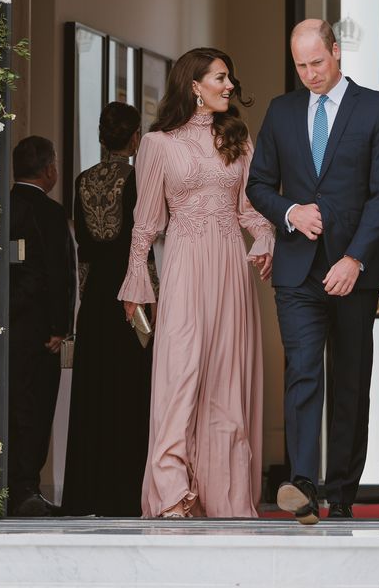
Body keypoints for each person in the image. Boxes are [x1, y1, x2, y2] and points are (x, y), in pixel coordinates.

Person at [247, 19, 379, 523]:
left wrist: (355, 258)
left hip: (354, 270)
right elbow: (259, 185)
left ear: (337, 52)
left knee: (351, 382)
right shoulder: (281, 111)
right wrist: (291, 212)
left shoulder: (377, 109)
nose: (310, 73)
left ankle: (341, 492)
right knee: (304, 373)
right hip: (297, 272)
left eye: (318, 62)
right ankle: (305, 485)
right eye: (301, 65)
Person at [118, 48, 275, 518]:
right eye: (220, 78)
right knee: (181, 374)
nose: (229, 86)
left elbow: (249, 210)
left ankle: (225, 495)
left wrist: (265, 236)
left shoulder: (238, 139)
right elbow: (145, 223)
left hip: (229, 267)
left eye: (229, 78)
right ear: (195, 86)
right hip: (185, 266)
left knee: (227, 381)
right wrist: (136, 283)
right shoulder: (157, 144)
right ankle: (171, 491)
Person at [61, 102, 153, 517]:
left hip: (97, 297)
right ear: (135, 137)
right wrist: (155, 301)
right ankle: (125, 492)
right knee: (130, 392)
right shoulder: (139, 179)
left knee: (94, 394)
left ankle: (87, 492)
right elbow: (143, 248)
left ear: (103, 137)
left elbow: (83, 253)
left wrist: (86, 299)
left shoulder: (81, 180)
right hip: (131, 297)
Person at [8, 135, 74, 517]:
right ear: (50, 170)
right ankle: (25, 487)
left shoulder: (2, 208)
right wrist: (60, 326)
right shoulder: (50, 214)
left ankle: (6, 484)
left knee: (11, 405)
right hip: (40, 332)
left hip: (6, 329)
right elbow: (60, 273)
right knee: (36, 409)